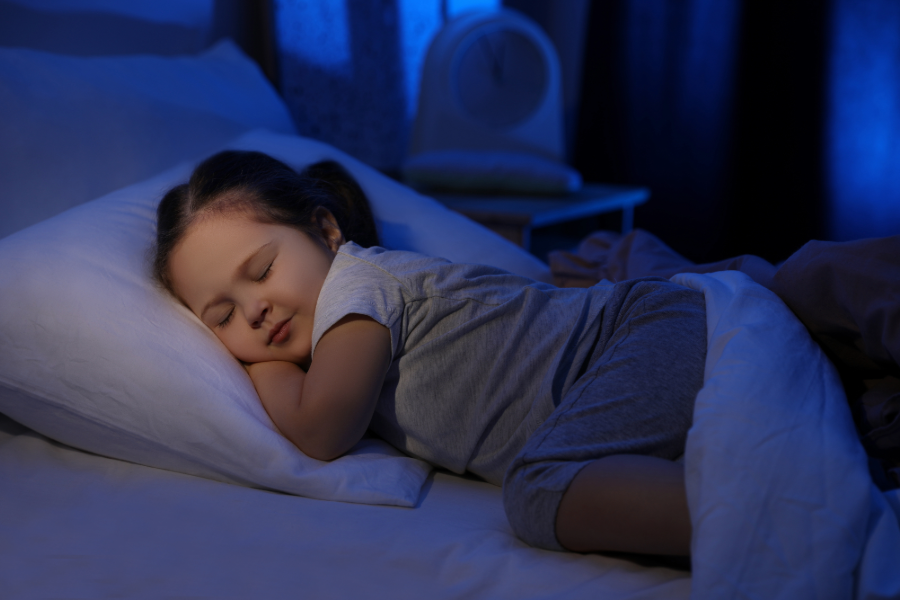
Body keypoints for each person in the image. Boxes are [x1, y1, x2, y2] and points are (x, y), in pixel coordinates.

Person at [153, 150, 707, 557]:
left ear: (325, 231)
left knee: (541, 489)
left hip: (630, 336)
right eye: (222, 317)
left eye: (263, 271)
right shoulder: (337, 323)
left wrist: (263, 364)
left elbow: (322, 429)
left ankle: (757, 516)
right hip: (627, 354)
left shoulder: (356, 290)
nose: (255, 311)